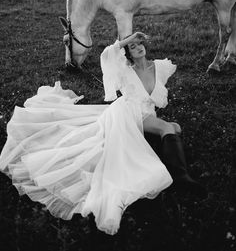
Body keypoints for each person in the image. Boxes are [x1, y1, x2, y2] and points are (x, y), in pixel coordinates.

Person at [0, 32, 206, 236]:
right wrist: (128, 37)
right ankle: (181, 177)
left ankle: (167, 156)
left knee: (176, 127)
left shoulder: (160, 67)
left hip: (145, 115)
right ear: (128, 54)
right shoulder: (125, 70)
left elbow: (154, 99)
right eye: (132, 47)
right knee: (167, 129)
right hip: (129, 112)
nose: (138, 48)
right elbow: (107, 54)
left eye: (140, 44)